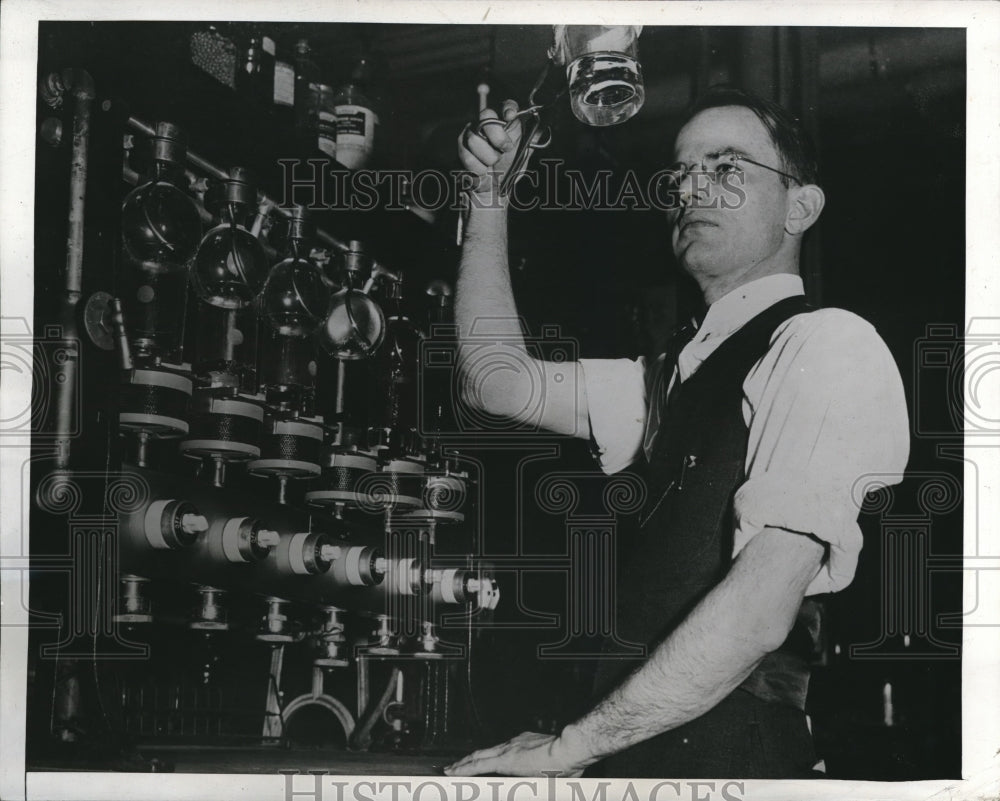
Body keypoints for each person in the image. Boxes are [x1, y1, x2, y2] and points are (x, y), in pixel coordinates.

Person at [443, 86, 910, 778]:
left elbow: (758, 611)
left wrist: (565, 748)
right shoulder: (670, 376)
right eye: (682, 174)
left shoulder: (826, 346)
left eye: (727, 168)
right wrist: (487, 194)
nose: (694, 188)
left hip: (736, 767)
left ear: (800, 206)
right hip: (629, 754)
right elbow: (498, 379)